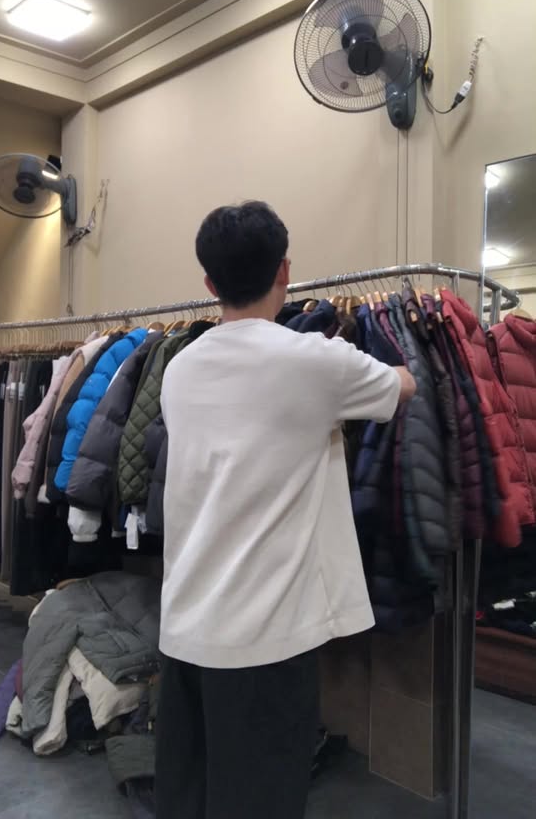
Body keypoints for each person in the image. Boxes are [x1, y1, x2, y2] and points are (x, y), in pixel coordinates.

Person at [156, 201, 416, 819]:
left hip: (184, 625)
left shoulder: (178, 368)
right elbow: (403, 386)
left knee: (189, 797)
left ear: (209, 284)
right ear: (285, 272)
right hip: (265, 638)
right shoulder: (314, 361)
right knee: (261, 800)